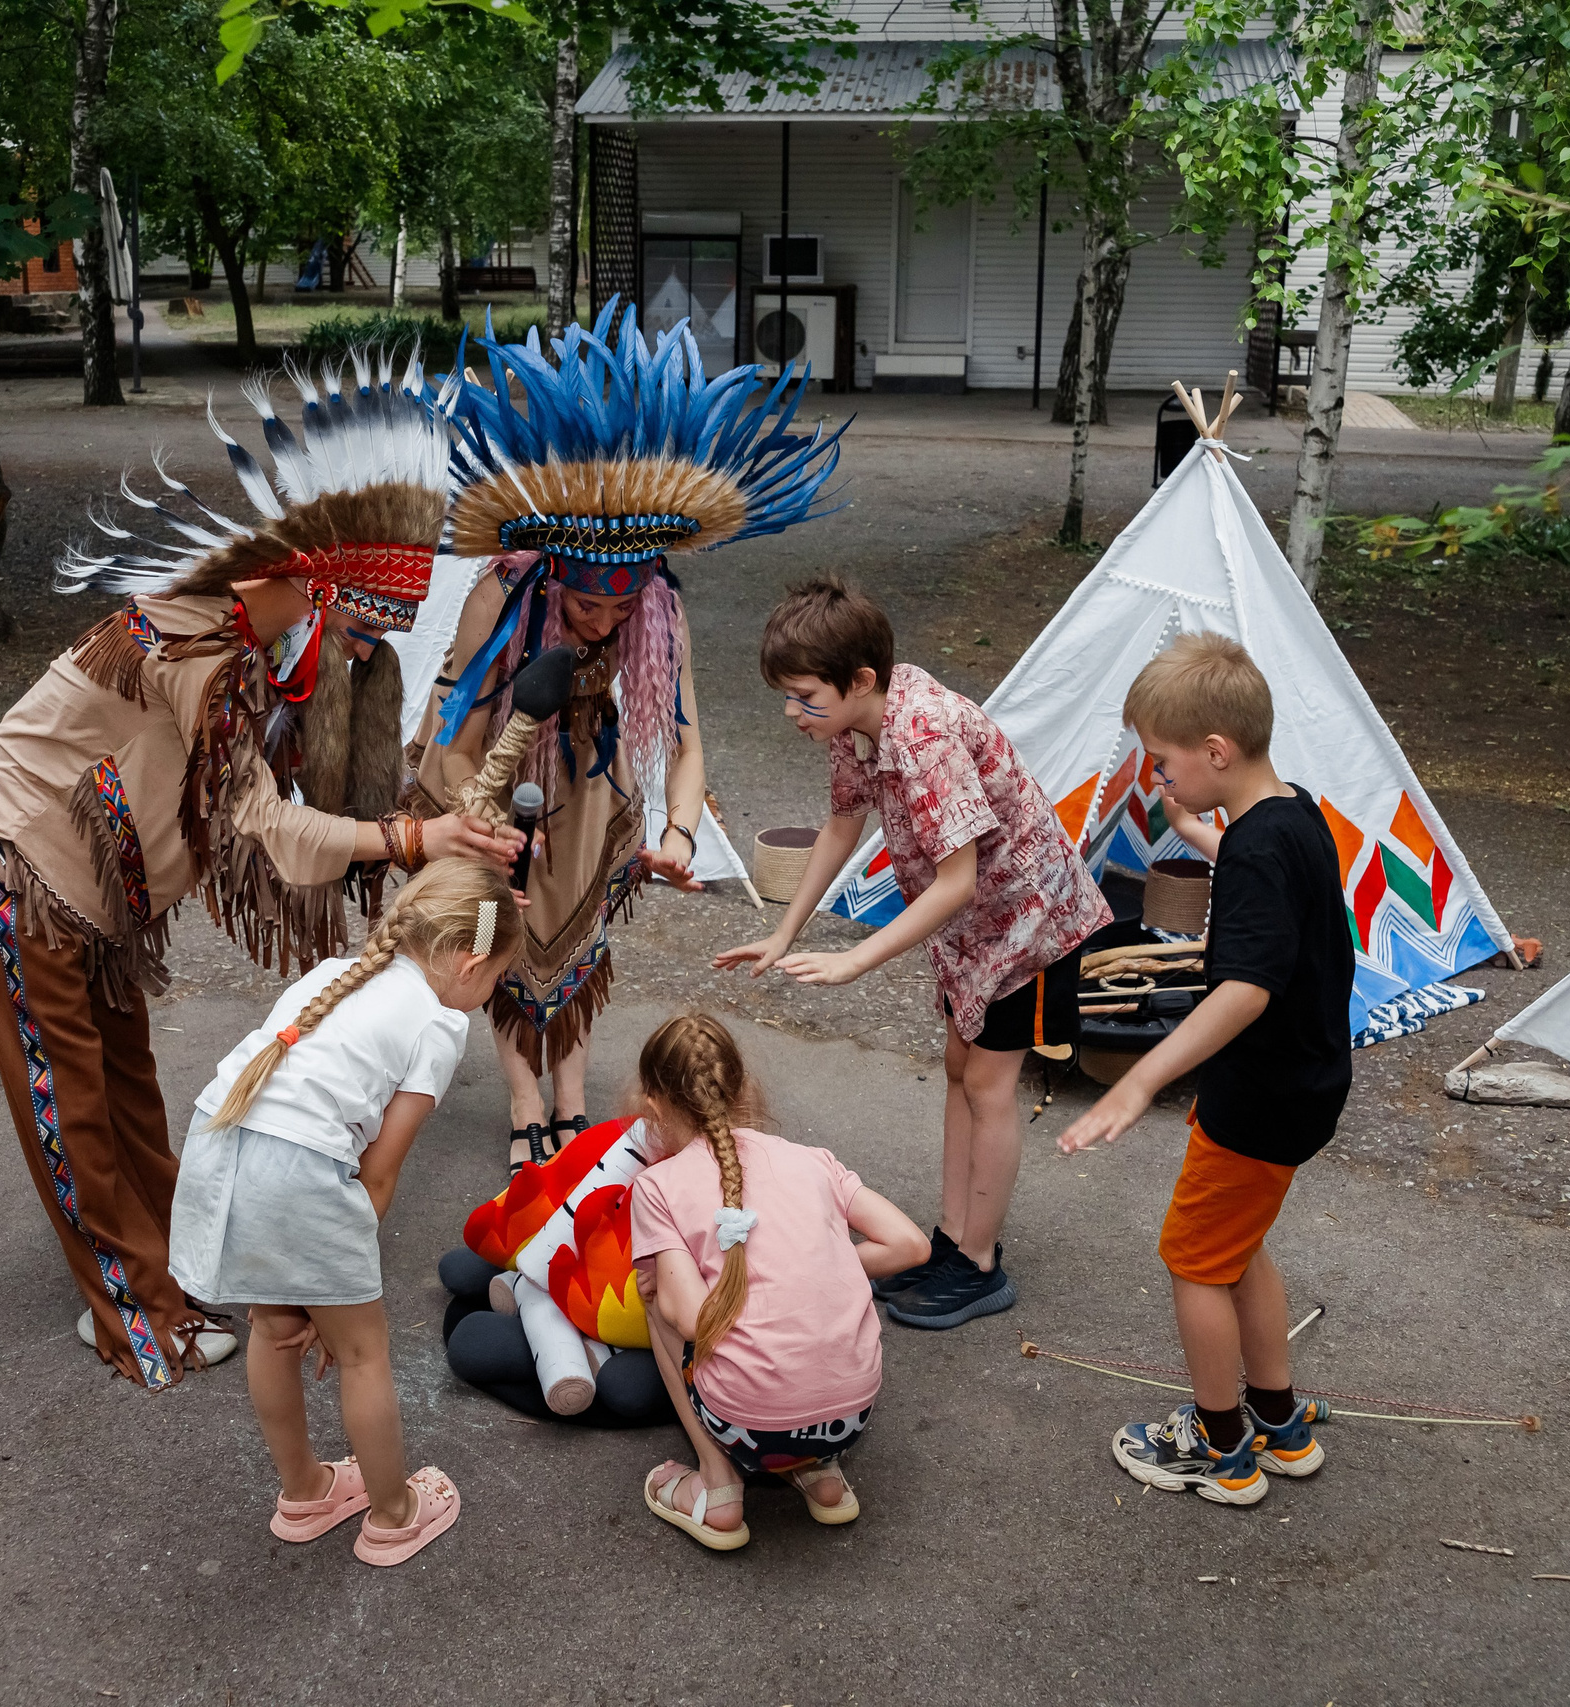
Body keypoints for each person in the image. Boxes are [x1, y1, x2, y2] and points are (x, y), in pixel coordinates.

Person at [0, 353, 520, 1390]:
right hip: (22, 861)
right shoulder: (192, 641)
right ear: (313, 585)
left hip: (95, 885)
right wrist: (407, 842)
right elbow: (262, 825)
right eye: (355, 625)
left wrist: (418, 830)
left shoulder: (243, 641)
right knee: (68, 1092)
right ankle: (130, 1311)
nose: (355, 649)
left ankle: (176, 1256)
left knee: (126, 1074)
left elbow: (271, 807)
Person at [412, 299, 846, 1177]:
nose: (605, 621)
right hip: (494, 787)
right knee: (506, 937)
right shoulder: (501, 597)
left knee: (577, 942)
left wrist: (679, 833)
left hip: (592, 798)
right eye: (586, 606)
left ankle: (569, 1094)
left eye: (621, 606)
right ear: (553, 579)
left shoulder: (661, 610)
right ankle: (523, 1096)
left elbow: (685, 744)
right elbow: (454, 731)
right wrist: (475, 823)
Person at [717, 581, 1111, 1331]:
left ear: (859, 679)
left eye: (803, 696)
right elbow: (842, 823)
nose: (791, 713)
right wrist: (786, 932)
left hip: (1027, 925)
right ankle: (953, 1240)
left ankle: (980, 1263)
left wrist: (856, 959)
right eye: (787, 696)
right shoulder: (853, 726)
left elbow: (958, 880)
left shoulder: (924, 736)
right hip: (973, 927)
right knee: (962, 1071)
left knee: (991, 1085)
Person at [1058, 633, 1353, 1506]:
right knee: (1238, 1247)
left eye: (1163, 762)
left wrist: (1140, 1079)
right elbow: (1276, 886)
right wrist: (1199, 832)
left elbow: (1247, 989)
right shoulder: (1289, 812)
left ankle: (1222, 1449)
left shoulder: (1260, 846)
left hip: (1257, 1095)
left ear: (1215, 752)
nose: (1158, 778)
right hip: (1306, 1085)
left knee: (1193, 1261)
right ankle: (1279, 1424)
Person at [170, 858, 518, 1566]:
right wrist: (338, 1292)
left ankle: (305, 1492)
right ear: (468, 962)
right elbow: (380, 1172)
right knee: (361, 1349)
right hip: (299, 1172)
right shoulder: (439, 1022)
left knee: (272, 1326)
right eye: (495, 979)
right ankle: (394, 1514)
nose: (486, 996)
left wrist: (312, 1295)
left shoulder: (334, 972)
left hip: (222, 1144)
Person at [625, 1013, 929, 1550]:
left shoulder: (656, 1186)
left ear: (652, 1102)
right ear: (741, 1087)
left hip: (750, 1425)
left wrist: (665, 1283)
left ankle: (717, 1490)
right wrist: (817, 1268)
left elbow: (690, 1317)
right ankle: (824, 1476)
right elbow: (910, 1244)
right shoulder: (813, 1160)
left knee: (654, 1300)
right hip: (852, 1416)